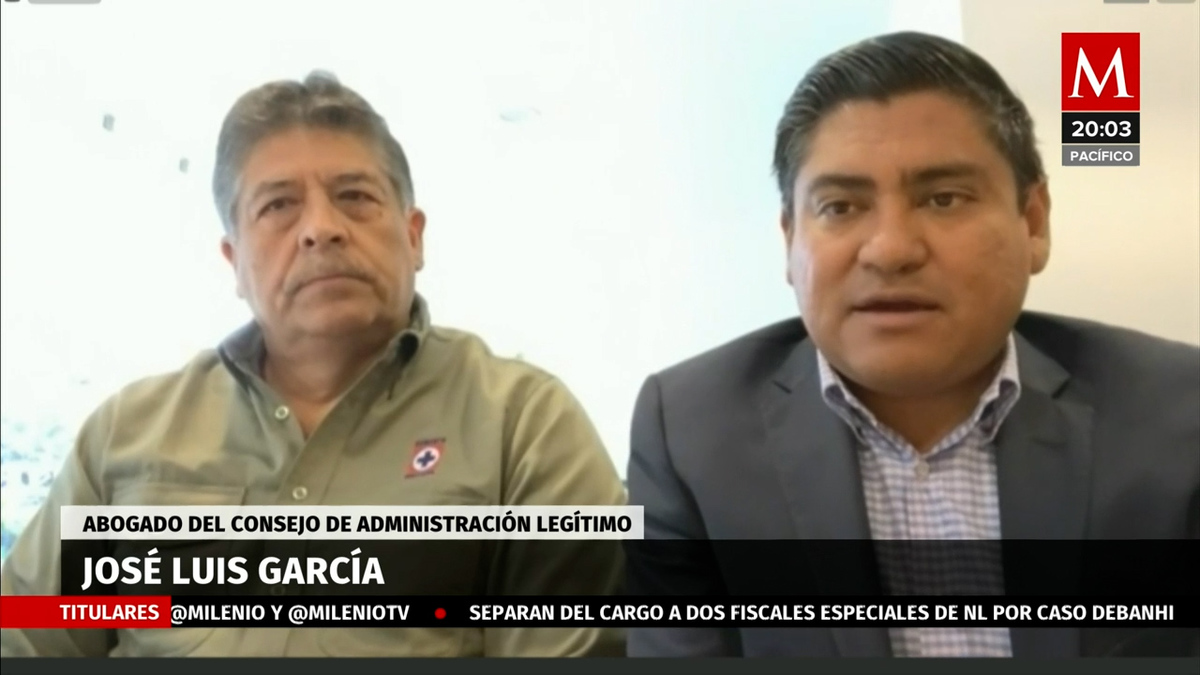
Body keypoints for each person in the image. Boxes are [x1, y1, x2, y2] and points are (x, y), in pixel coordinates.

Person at [1, 71, 626, 658]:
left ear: (413, 236)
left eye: (355, 197)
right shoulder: (126, 435)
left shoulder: (524, 427)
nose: (321, 228)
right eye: (278, 206)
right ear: (234, 261)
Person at [625, 31, 1199, 658]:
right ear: (789, 240)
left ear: (1033, 222)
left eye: (943, 199)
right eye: (840, 207)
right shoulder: (691, 434)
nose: (891, 249)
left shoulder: (1176, 416)